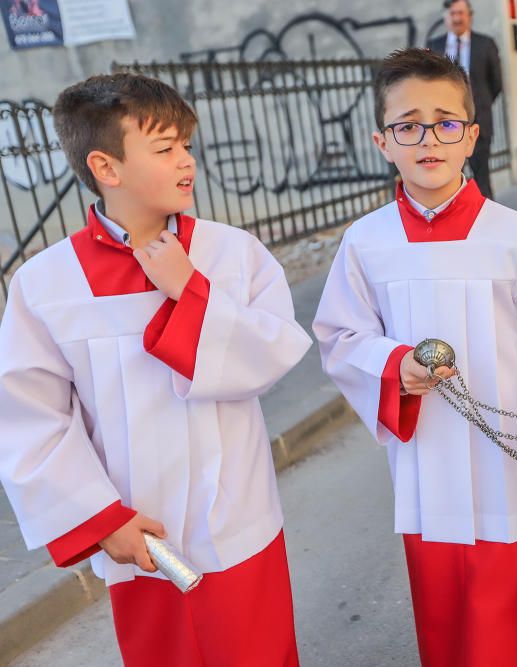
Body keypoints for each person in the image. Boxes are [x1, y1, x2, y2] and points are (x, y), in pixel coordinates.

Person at [313, 48, 517, 667]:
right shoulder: (366, 242)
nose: (429, 139)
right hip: (426, 466)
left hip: (510, 468)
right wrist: (397, 363)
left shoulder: (516, 235)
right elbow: (340, 338)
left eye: (447, 123)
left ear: (473, 135)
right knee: (446, 616)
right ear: (382, 141)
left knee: (515, 618)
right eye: (408, 125)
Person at [0, 73, 312, 666]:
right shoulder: (46, 284)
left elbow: (270, 355)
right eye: (165, 148)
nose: (186, 161)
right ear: (106, 167)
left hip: (238, 523)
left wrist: (189, 290)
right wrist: (99, 518)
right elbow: (27, 418)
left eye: (187, 145)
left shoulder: (231, 252)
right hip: (138, 534)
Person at [428, 0, 503, 199]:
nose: (457, 18)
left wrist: (477, 107)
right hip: (444, 128)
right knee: (448, 182)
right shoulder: (435, 46)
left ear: (469, 15)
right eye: (453, 14)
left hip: (478, 125)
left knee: (481, 180)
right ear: (446, 18)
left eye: (460, 13)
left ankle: (487, 224)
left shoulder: (486, 45)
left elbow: (496, 84)